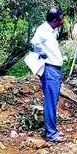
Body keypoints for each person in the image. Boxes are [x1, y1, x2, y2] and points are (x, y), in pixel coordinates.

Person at [30, 8, 65, 143]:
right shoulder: (43, 30)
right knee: (50, 102)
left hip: (54, 70)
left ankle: (52, 131)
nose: (62, 22)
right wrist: (42, 53)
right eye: (61, 19)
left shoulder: (52, 30)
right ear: (55, 20)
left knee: (53, 101)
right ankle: (51, 134)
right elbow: (34, 43)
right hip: (50, 69)